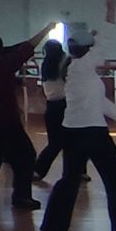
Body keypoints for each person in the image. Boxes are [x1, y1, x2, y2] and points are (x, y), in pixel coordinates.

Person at [38, 11, 116, 231]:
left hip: (74, 131)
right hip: (92, 132)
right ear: (87, 50)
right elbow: (103, 42)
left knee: (69, 180)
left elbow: (100, 102)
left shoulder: (76, 69)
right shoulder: (82, 67)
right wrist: (110, 13)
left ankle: (51, 229)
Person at [0, 21, 58, 212]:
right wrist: (48, 28)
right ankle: (21, 196)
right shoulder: (3, 65)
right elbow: (27, 47)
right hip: (5, 123)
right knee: (26, 156)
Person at [32, 40, 69, 180]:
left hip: (52, 106)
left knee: (55, 142)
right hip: (66, 105)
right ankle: (39, 169)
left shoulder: (45, 65)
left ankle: (38, 170)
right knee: (71, 141)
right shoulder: (65, 63)